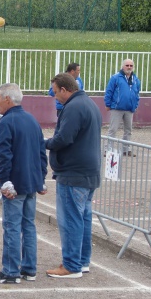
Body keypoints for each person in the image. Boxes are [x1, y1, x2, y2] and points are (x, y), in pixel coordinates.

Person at [0, 83, 48, 284]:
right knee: (28, 225)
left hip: (15, 183)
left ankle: (11, 271)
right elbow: (41, 152)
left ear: (7, 99)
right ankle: (29, 269)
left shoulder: (6, 122)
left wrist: (5, 181)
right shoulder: (32, 120)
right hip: (31, 182)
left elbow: (4, 154)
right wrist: (41, 178)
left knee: (12, 227)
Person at [46, 73, 102, 279]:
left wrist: (44, 143)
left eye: (55, 92)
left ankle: (71, 265)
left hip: (73, 173)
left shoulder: (74, 107)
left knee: (71, 219)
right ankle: (82, 261)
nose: (54, 96)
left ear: (64, 89)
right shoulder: (89, 104)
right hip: (89, 172)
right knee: (83, 219)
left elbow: (64, 138)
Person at [104, 59, 141, 156]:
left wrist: (135, 105)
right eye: (127, 65)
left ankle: (126, 149)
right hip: (117, 108)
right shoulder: (115, 78)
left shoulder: (136, 80)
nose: (129, 67)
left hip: (129, 109)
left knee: (128, 130)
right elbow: (109, 91)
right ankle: (108, 149)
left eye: (131, 65)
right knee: (113, 129)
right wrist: (107, 104)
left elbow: (137, 94)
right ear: (122, 66)